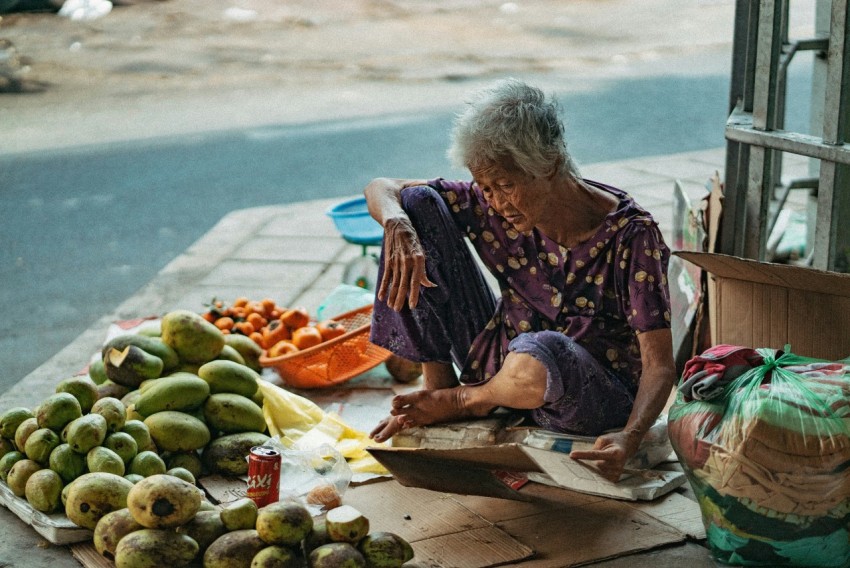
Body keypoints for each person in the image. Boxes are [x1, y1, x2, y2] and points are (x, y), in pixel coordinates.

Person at [364, 78, 677, 482]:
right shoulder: (493, 202)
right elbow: (382, 187)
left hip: (583, 392)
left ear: (547, 165)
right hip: (504, 364)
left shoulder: (633, 235)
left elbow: (659, 365)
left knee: (542, 350)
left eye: (506, 186)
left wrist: (630, 437)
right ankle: (434, 394)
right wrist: (396, 224)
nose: (494, 202)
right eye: (485, 188)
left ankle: (461, 400)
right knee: (417, 205)